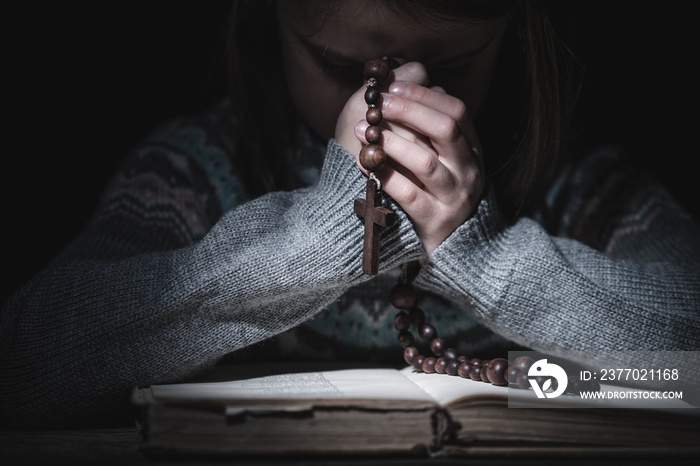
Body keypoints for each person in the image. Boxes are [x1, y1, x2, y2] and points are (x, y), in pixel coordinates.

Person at [2, 0, 698, 429]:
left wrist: (485, 257)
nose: (398, 103)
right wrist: (314, 236)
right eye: (342, 68)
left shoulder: (577, 184)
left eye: (451, 64)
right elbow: (26, 367)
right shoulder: (195, 172)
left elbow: (687, 361)